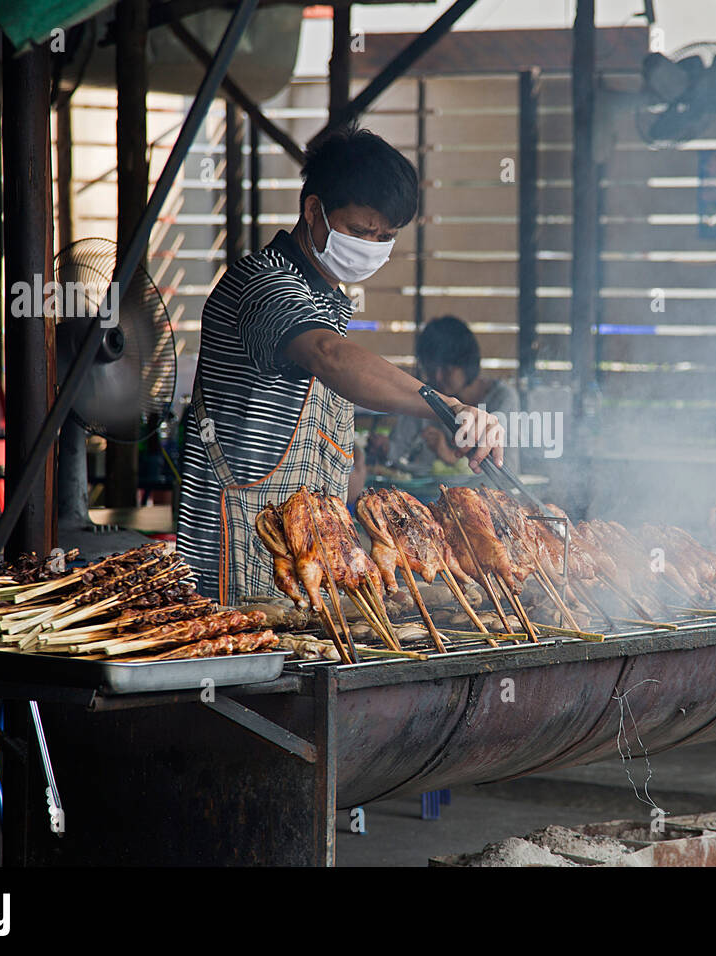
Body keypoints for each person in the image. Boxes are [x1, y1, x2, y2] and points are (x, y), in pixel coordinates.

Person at [177, 125, 504, 603]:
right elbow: (328, 357)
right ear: (314, 211)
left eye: (385, 236)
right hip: (238, 551)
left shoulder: (327, 302)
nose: (371, 245)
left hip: (310, 550)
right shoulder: (263, 283)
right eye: (359, 230)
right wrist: (443, 404)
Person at [372, 315, 520, 476]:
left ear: (466, 363)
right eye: (431, 370)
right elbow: (399, 452)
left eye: (447, 370)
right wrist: (386, 448)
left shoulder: (502, 397)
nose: (438, 377)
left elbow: (507, 470)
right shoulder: (428, 394)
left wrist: (451, 457)